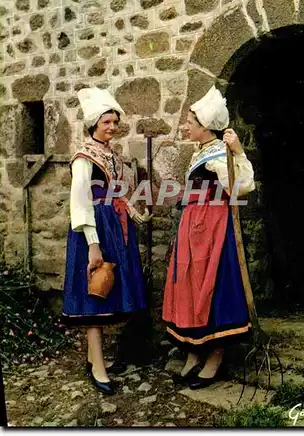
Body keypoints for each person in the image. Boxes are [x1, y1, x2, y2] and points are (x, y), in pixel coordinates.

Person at [162, 85, 255, 389]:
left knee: (211, 285)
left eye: (190, 122)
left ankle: (215, 355)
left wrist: (238, 152)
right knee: (189, 285)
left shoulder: (217, 154)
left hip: (212, 227)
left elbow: (241, 187)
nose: (185, 126)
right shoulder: (200, 151)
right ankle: (194, 350)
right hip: (194, 225)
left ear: (204, 127)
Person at [62, 87, 152, 395]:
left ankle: (93, 357)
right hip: (94, 230)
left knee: (107, 290)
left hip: (114, 224)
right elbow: (80, 202)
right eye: (106, 122)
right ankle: (97, 366)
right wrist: (93, 244)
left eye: (115, 121)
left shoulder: (111, 155)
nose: (112, 127)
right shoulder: (83, 157)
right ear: (93, 125)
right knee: (95, 294)